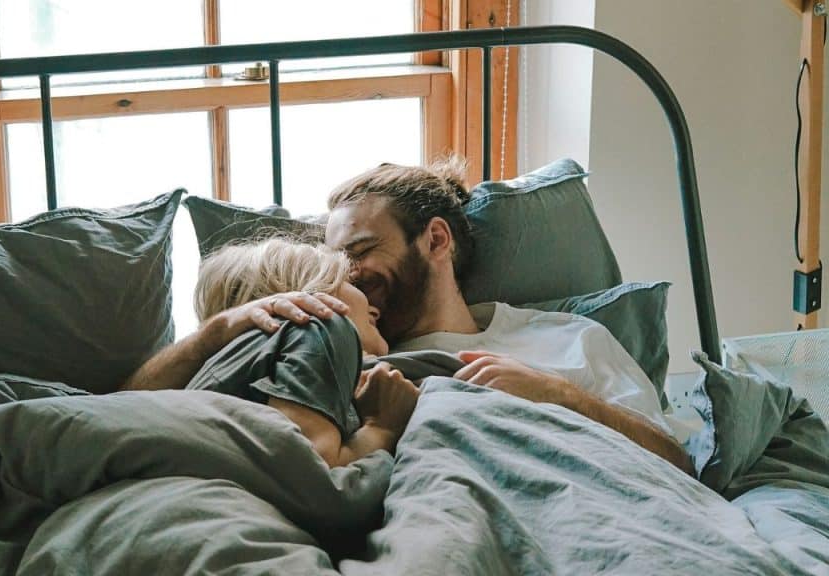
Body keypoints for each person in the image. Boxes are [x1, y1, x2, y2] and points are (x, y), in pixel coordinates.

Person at [125, 158, 694, 475]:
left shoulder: (570, 339)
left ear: (436, 240)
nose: (346, 275)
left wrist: (560, 395)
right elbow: (135, 410)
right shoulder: (331, 344)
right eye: (334, 263)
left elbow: (680, 466)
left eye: (360, 251)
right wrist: (216, 332)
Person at [124, 238, 420, 469]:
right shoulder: (316, 329)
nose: (374, 306)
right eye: (349, 282)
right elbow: (316, 477)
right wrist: (383, 428)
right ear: (308, 291)